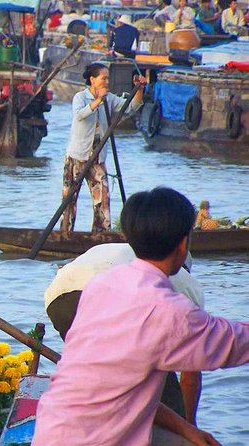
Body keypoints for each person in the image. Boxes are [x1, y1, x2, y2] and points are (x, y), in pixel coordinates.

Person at [33, 186, 249, 445]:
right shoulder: (169, 310)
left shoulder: (103, 285)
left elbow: (121, 389)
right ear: (183, 244)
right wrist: (190, 423)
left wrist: (187, 428)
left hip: (51, 430)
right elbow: (235, 343)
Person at [44, 243, 204, 426]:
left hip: (59, 298)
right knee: (163, 394)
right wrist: (189, 427)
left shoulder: (129, 253)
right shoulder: (187, 286)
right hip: (104, 296)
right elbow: (190, 378)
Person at [60, 63, 145, 233]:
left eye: (108, 78)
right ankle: (65, 233)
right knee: (69, 200)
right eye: (103, 78)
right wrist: (98, 101)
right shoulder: (81, 97)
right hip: (77, 156)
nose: (107, 81)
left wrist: (140, 89)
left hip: (97, 158)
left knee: (103, 199)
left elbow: (130, 107)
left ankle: (101, 235)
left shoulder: (110, 98)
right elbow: (79, 115)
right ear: (92, 80)